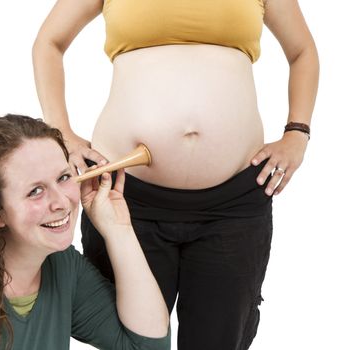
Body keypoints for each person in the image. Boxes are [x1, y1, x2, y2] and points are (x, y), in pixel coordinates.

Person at [32, 0, 319, 349]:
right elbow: (49, 41)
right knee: (129, 340)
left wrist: (297, 132)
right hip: (127, 200)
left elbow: (302, 50)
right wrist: (60, 130)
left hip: (232, 206)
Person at [0, 114, 170, 350]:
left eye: (64, 177)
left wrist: (119, 230)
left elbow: (149, 346)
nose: (61, 202)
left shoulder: (65, 268)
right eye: (36, 191)